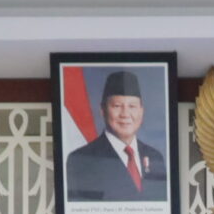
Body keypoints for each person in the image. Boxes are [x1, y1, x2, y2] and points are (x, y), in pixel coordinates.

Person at [65, 68, 168, 204]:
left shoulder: (155, 157)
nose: (125, 114)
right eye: (117, 106)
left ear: (141, 111)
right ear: (103, 110)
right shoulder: (81, 159)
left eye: (132, 106)